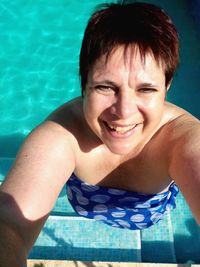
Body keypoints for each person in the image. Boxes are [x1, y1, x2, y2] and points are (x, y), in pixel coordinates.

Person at [0, 1, 200, 266]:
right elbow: (9, 223)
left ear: (167, 86)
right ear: (84, 82)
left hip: (131, 212)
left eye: (146, 89)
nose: (124, 112)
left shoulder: (182, 139)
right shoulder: (63, 134)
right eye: (106, 87)